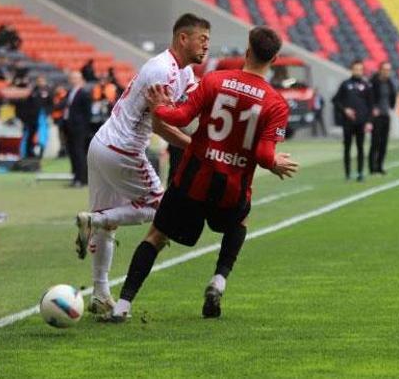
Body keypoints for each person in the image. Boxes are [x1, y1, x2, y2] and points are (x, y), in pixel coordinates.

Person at [106, 26, 299, 322]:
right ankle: (218, 281)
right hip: (231, 187)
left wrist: (158, 107)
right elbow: (262, 156)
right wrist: (275, 162)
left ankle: (122, 306)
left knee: (156, 236)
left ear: (246, 52)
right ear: (274, 58)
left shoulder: (214, 81)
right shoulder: (275, 103)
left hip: (192, 179)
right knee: (240, 219)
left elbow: (180, 117)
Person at [74, 13, 210, 315]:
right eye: (202, 39)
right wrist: (196, 149)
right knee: (160, 209)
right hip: (123, 149)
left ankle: (99, 293)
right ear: (183, 38)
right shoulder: (163, 72)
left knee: (109, 224)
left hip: (101, 145)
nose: (206, 47)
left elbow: (192, 104)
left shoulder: (181, 71)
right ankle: (92, 221)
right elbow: (161, 126)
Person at [332, 60, 373, 182]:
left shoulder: (367, 85)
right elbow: (335, 100)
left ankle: (360, 173)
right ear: (352, 70)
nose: (358, 71)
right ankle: (348, 173)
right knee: (347, 148)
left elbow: (370, 105)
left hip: (361, 122)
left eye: (360, 69)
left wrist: (369, 121)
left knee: (360, 148)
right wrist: (345, 110)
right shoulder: (345, 84)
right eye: (356, 69)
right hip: (348, 122)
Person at [59, 71, 92, 187]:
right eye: (71, 78)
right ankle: (76, 176)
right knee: (72, 152)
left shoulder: (83, 93)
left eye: (75, 78)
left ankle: (82, 178)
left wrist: (84, 127)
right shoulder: (70, 93)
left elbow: (87, 113)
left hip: (79, 128)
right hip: (69, 126)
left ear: (80, 79)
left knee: (79, 152)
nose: (72, 80)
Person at [368, 62, 396, 175]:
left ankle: (380, 166)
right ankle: (372, 167)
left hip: (385, 115)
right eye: (385, 69)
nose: (387, 72)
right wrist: (373, 108)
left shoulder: (389, 83)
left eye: (388, 70)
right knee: (375, 142)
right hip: (376, 116)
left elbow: (392, 98)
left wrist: (391, 106)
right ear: (380, 70)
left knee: (384, 143)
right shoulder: (373, 82)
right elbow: (369, 97)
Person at [17, 75, 53, 158]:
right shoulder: (33, 91)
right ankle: (28, 153)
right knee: (30, 135)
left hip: (42, 118)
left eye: (42, 81)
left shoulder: (48, 91)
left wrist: (47, 113)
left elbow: (51, 104)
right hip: (32, 119)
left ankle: (40, 152)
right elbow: (28, 104)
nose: (40, 83)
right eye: (39, 81)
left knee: (42, 136)